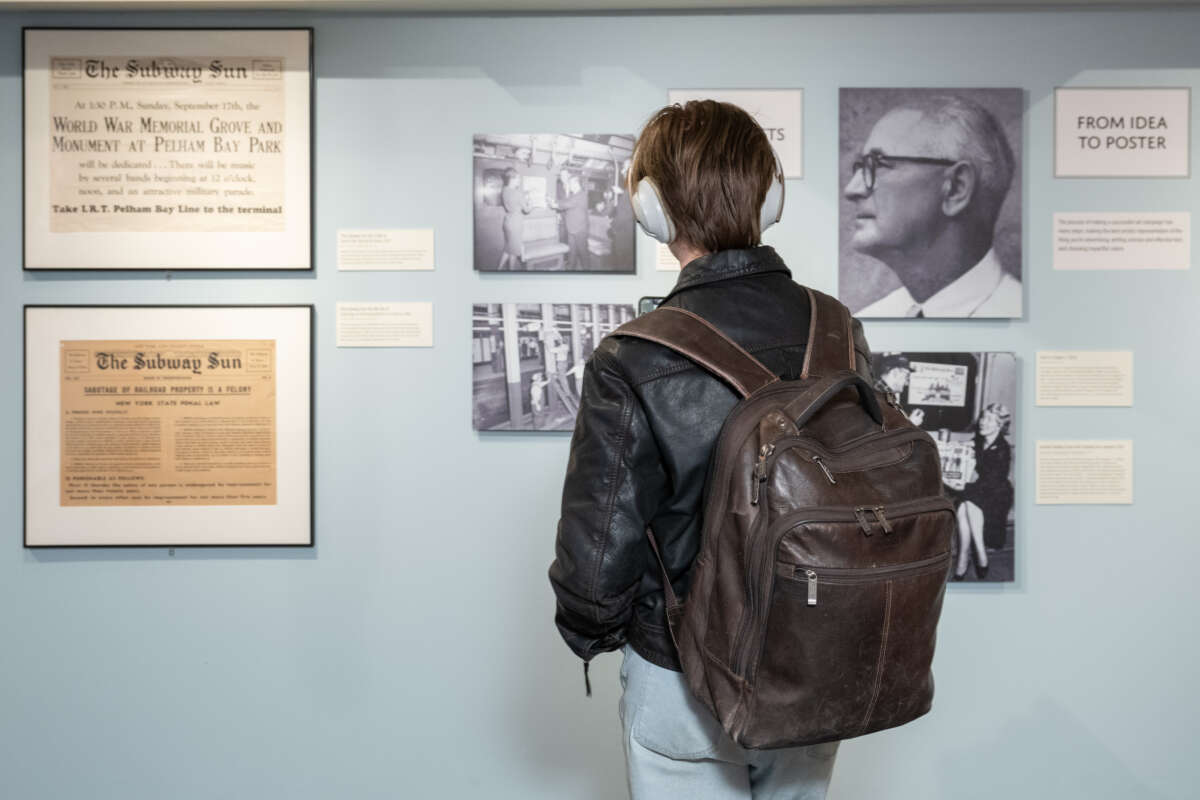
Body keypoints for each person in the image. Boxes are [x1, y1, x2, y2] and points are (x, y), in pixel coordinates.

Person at [549, 100, 874, 799]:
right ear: (772, 197)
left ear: (650, 209)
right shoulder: (836, 327)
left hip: (680, 669)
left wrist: (590, 629)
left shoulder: (633, 355)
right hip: (812, 661)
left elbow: (601, 543)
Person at [844, 95, 1021, 318]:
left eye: (878, 165)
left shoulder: (1018, 314)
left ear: (956, 188)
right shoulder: (866, 321)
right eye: (860, 166)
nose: (852, 189)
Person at [953, 403, 1014, 580]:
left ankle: (976, 555)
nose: (982, 422)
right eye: (982, 417)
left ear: (999, 425)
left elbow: (992, 482)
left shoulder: (1003, 448)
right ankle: (969, 557)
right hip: (981, 489)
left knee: (968, 503)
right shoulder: (978, 440)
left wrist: (968, 484)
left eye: (988, 419)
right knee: (964, 507)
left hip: (998, 493)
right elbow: (970, 459)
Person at [553, 171, 590, 270]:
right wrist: (554, 202)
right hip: (572, 229)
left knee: (583, 254)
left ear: (576, 183)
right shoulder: (574, 195)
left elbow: (567, 204)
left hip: (580, 230)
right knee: (572, 254)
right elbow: (565, 201)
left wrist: (555, 205)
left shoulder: (581, 195)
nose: (569, 186)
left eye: (570, 184)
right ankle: (570, 271)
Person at [497, 168, 529, 270]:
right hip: (516, 223)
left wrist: (524, 195)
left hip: (508, 222)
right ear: (512, 178)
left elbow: (514, 200)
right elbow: (527, 210)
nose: (519, 180)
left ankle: (498, 269)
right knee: (514, 251)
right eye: (518, 178)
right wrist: (532, 202)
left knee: (509, 249)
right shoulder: (517, 193)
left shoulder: (505, 190)